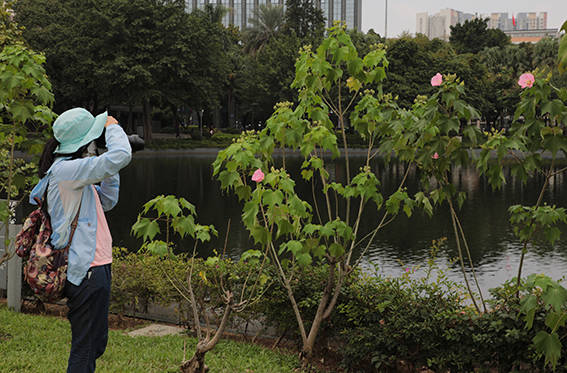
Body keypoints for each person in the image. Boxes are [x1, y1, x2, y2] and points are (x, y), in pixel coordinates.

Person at [30, 108, 132, 372]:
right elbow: (122, 155)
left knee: (95, 343)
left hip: (97, 268)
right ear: (82, 141)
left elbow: (108, 199)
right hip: (86, 271)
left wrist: (104, 161)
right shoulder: (66, 172)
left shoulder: (76, 175)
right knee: (85, 347)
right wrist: (112, 128)